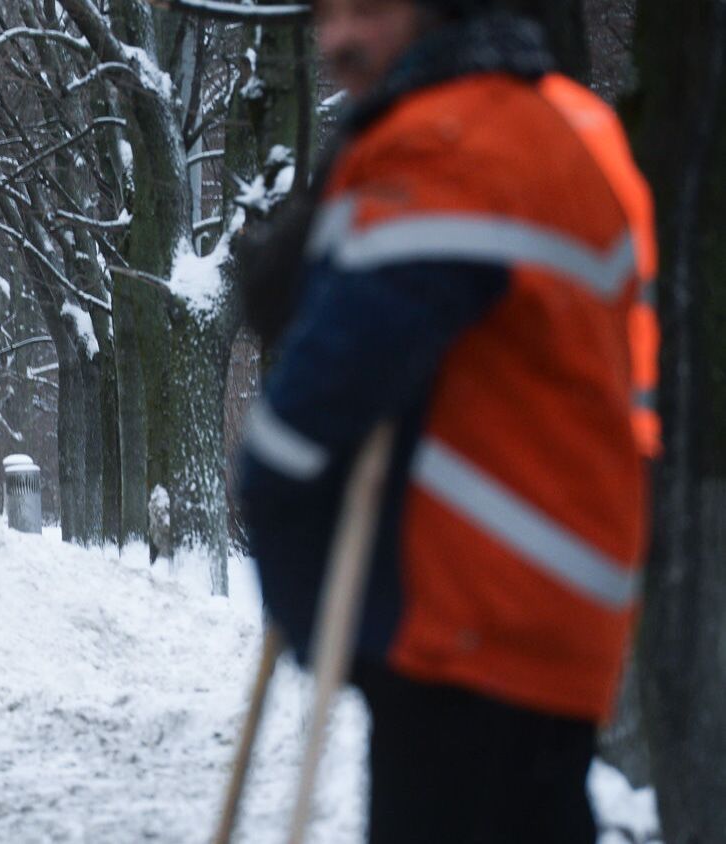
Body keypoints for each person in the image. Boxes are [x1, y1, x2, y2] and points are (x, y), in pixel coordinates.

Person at [236, 1, 658, 841]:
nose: (336, 41)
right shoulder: (542, 126)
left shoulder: (448, 144)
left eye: (367, 9)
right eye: (323, 14)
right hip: (548, 608)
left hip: (477, 613)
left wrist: (305, 586)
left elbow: (329, 384)